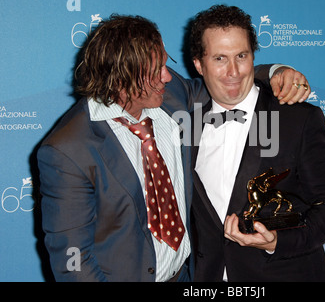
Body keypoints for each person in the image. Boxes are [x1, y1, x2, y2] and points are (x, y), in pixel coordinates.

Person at [37, 14, 310, 282]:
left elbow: (225, 82)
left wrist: (276, 72)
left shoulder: (169, 97)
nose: (167, 77)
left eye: (165, 65)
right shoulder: (68, 150)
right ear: (120, 78)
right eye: (156, 72)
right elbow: (73, 262)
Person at [189, 5, 325, 282]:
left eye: (241, 56)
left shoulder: (297, 119)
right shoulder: (183, 120)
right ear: (199, 64)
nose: (233, 71)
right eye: (219, 58)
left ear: (253, 56)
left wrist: (278, 242)